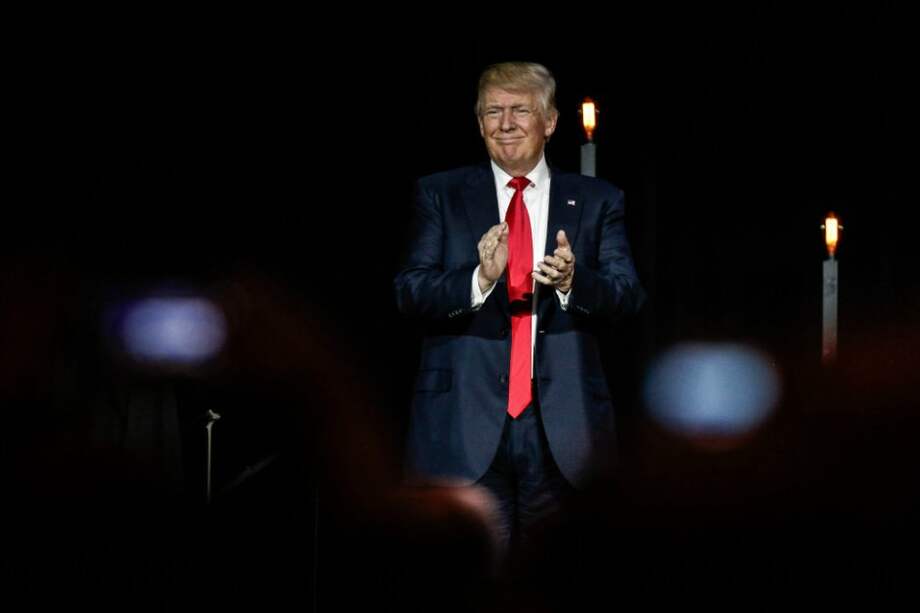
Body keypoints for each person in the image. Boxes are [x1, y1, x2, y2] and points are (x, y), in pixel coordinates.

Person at [394, 61, 645, 556]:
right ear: (478, 121)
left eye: (519, 110)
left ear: (549, 121)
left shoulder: (596, 200)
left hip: (564, 432)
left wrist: (576, 282)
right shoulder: (440, 194)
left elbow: (628, 297)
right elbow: (409, 292)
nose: (505, 123)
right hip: (463, 426)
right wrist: (479, 278)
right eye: (493, 111)